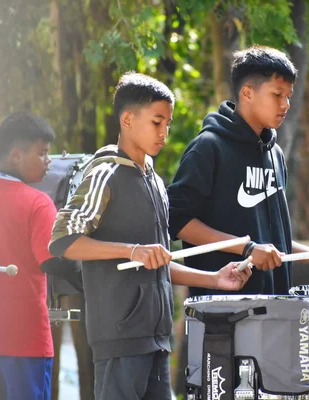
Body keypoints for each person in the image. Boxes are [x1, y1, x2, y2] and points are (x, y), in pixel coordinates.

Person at [48, 72, 251, 400]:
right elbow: (62, 240)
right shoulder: (104, 175)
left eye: (168, 123)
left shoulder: (155, 182)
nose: (165, 133)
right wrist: (131, 251)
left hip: (156, 340)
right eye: (157, 122)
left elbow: (157, 261)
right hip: (119, 341)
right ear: (127, 119)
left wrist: (215, 279)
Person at [168, 45, 309, 297]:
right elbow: (177, 220)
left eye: (289, 96)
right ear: (247, 93)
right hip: (224, 315)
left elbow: (273, 244)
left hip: (277, 308)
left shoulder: (275, 153)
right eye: (277, 94)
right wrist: (246, 248)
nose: (286, 104)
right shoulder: (208, 147)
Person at [0, 112, 81, 400]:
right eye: (43, 153)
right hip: (22, 343)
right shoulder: (38, 203)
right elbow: (53, 260)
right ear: (16, 155)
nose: (49, 162)